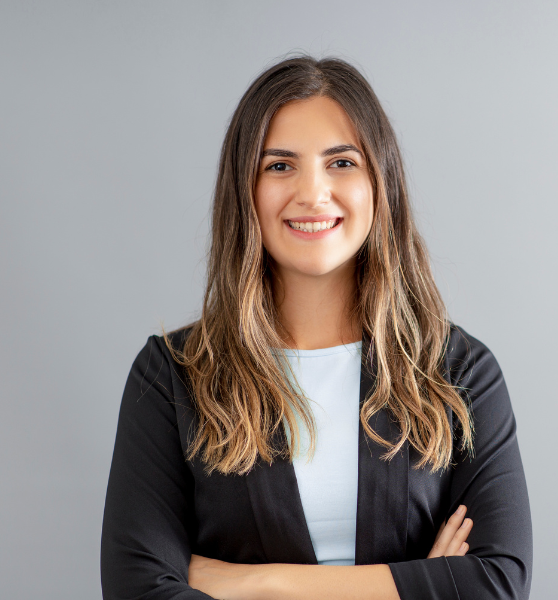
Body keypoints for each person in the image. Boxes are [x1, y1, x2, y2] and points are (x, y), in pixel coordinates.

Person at [100, 55, 532, 600]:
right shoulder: (173, 376)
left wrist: (257, 582)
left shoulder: (458, 371)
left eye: (341, 163)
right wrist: (417, 586)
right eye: (279, 166)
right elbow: (136, 590)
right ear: (245, 190)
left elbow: (496, 584)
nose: (311, 192)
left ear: (381, 183)